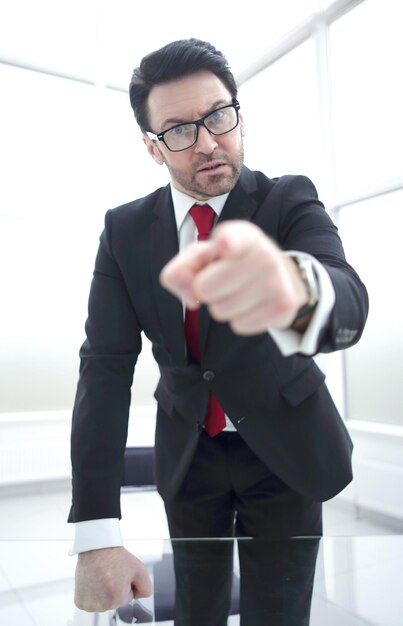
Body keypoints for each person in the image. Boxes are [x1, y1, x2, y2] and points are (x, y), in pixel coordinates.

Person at [69, 38, 369, 624]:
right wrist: (95, 533)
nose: (208, 141)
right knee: (195, 614)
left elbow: (347, 297)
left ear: (238, 114)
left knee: (278, 616)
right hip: (190, 458)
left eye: (218, 116)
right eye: (180, 130)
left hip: (287, 451)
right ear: (153, 149)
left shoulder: (288, 199)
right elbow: (104, 370)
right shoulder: (125, 232)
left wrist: (292, 290)